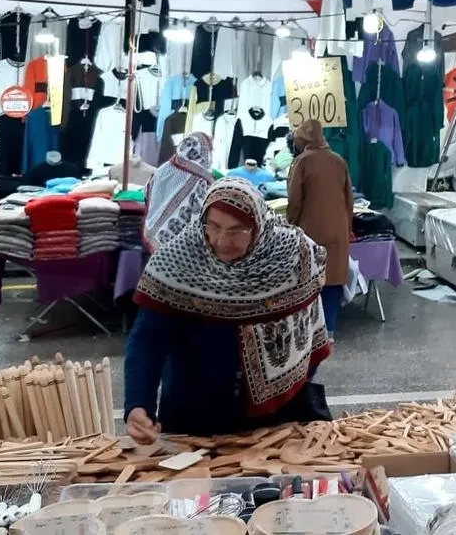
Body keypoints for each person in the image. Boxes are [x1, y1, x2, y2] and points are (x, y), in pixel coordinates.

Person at [124, 178, 333, 439]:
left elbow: (311, 324)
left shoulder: (293, 255)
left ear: (258, 225)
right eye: (212, 226)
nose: (221, 240)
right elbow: (146, 341)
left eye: (236, 231)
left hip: (278, 418)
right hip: (194, 417)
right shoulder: (176, 261)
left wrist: (296, 377)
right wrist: (138, 405)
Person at [287, 119, 354, 335]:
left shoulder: (302, 162)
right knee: (333, 281)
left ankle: (309, 332)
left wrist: (290, 227)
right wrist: (346, 228)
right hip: (337, 232)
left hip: (309, 233)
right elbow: (349, 200)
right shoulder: (339, 160)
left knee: (309, 281)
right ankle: (329, 331)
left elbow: (294, 202)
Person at [142, 133, 213, 253]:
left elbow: (146, 192)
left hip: (151, 230)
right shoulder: (201, 180)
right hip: (178, 248)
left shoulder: (164, 168)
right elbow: (199, 216)